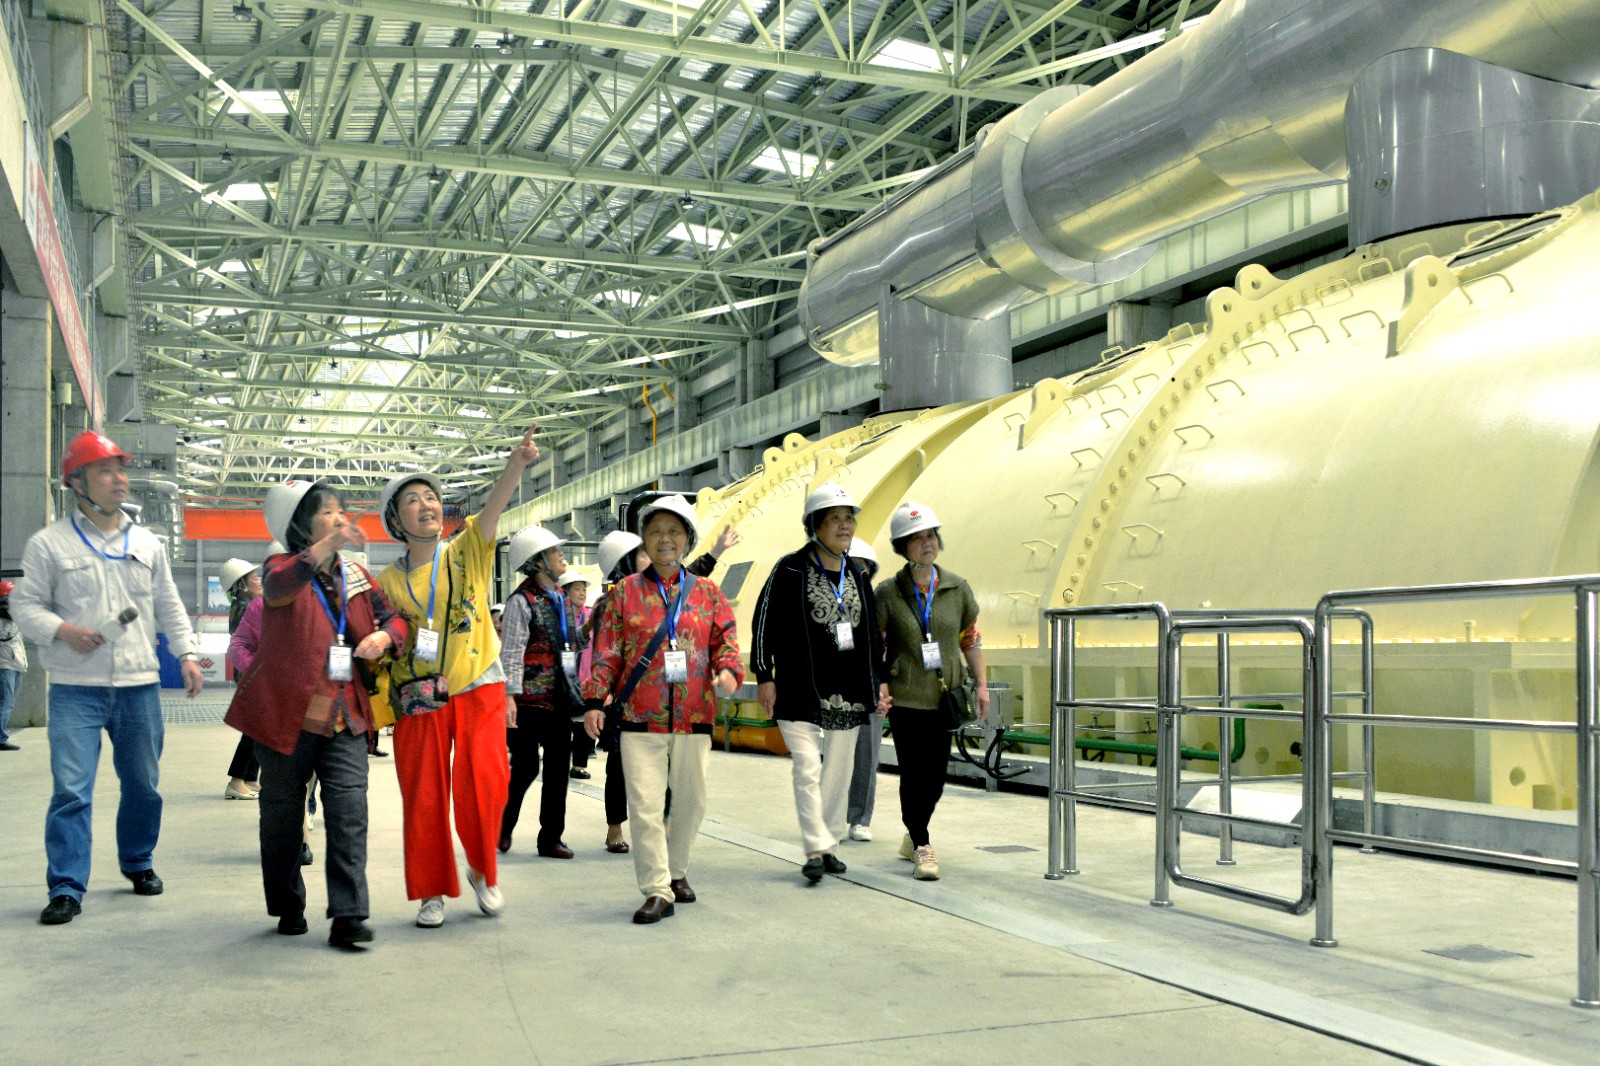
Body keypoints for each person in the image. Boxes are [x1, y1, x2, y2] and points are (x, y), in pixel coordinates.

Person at [12, 431, 203, 926]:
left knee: (143, 785)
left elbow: (167, 603)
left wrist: (186, 653)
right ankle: (66, 886)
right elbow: (25, 606)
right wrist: (64, 631)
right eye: (105, 470)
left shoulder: (146, 543)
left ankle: (138, 860)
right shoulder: (49, 545)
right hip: (75, 688)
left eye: (121, 469)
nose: (119, 478)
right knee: (71, 791)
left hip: (139, 686)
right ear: (77, 482)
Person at [225, 480, 406, 947]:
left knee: (349, 811)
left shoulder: (357, 577)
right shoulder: (281, 567)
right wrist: (326, 547)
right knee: (282, 816)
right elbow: (278, 588)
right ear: (302, 526)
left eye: (341, 510)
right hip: (286, 715)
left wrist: (386, 637)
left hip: (346, 715)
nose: (340, 517)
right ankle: (288, 905)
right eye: (328, 512)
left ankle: (349, 915)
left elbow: (395, 619)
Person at [376, 425, 536, 929]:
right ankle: (431, 890)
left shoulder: (466, 550)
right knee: (423, 792)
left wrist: (515, 465)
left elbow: (492, 511)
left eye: (430, 497)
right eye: (412, 501)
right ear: (396, 520)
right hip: (419, 695)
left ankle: (482, 870)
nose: (425, 505)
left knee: (487, 783)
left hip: (478, 683)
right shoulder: (387, 581)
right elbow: (385, 635)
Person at [582, 495, 743, 924]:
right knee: (645, 806)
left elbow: (725, 641)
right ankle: (656, 888)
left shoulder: (707, 593)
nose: (664, 539)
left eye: (673, 531)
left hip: (694, 715)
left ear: (687, 538)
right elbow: (608, 651)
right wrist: (595, 700)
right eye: (655, 532)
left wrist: (729, 671)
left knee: (691, 802)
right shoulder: (625, 593)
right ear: (644, 541)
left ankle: (677, 870)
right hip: (640, 716)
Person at [751, 483, 890, 883]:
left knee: (839, 772)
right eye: (835, 519)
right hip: (799, 688)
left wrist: (878, 681)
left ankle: (827, 845)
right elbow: (764, 622)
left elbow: (870, 636)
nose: (845, 526)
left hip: (848, 691)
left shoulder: (858, 574)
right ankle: (814, 848)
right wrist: (764, 675)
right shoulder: (790, 568)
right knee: (808, 767)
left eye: (849, 519)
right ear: (815, 525)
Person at [875, 502, 989, 881]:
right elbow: (875, 646)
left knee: (936, 777)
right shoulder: (888, 593)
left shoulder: (956, 588)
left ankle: (913, 832)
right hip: (906, 698)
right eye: (917, 538)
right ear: (902, 546)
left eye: (931, 536)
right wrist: (881, 685)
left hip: (945, 695)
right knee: (913, 772)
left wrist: (981, 685)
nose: (927, 543)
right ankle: (922, 844)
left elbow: (970, 639)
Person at [497, 524, 581, 858]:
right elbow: (511, 650)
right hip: (527, 703)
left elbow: (569, 644)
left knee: (559, 771)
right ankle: (502, 827)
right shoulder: (521, 600)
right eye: (554, 551)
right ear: (538, 560)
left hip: (559, 700)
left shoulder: (560, 597)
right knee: (526, 767)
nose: (561, 555)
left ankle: (550, 839)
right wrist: (509, 697)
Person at [846, 542, 882, 841]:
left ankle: (860, 819)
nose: (857, 571)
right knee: (836, 758)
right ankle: (832, 816)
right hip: (838, 691)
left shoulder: (881, 603)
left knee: (866, 757)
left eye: (862, 566)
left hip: (872, 690)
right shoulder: (831, 600)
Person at [219, 557, 263, 799]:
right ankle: (236, 781)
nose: (259, 581)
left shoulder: (245, 604)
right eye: (254, 578)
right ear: (241, 584)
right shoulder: (246, 607)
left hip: (252, 671)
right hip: (252, 672)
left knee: (259, 725)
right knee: (254, 726)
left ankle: (249, 778)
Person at [561, 570, 596, 781]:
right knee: (564, 724)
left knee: (585, 724)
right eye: (577, 589)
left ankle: (579, 765)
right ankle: (561, 762)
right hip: (564, 679)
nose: (582, 593)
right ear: (566, 592)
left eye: (584, 589)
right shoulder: (559, 616)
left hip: (586, 677)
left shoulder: (591, 616)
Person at [0, 580, 28, 751]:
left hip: (15, 663)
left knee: (7, 703)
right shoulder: (5, 617)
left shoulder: (13, 615)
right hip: (5, 665)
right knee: (5, 703)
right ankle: (1, 738)